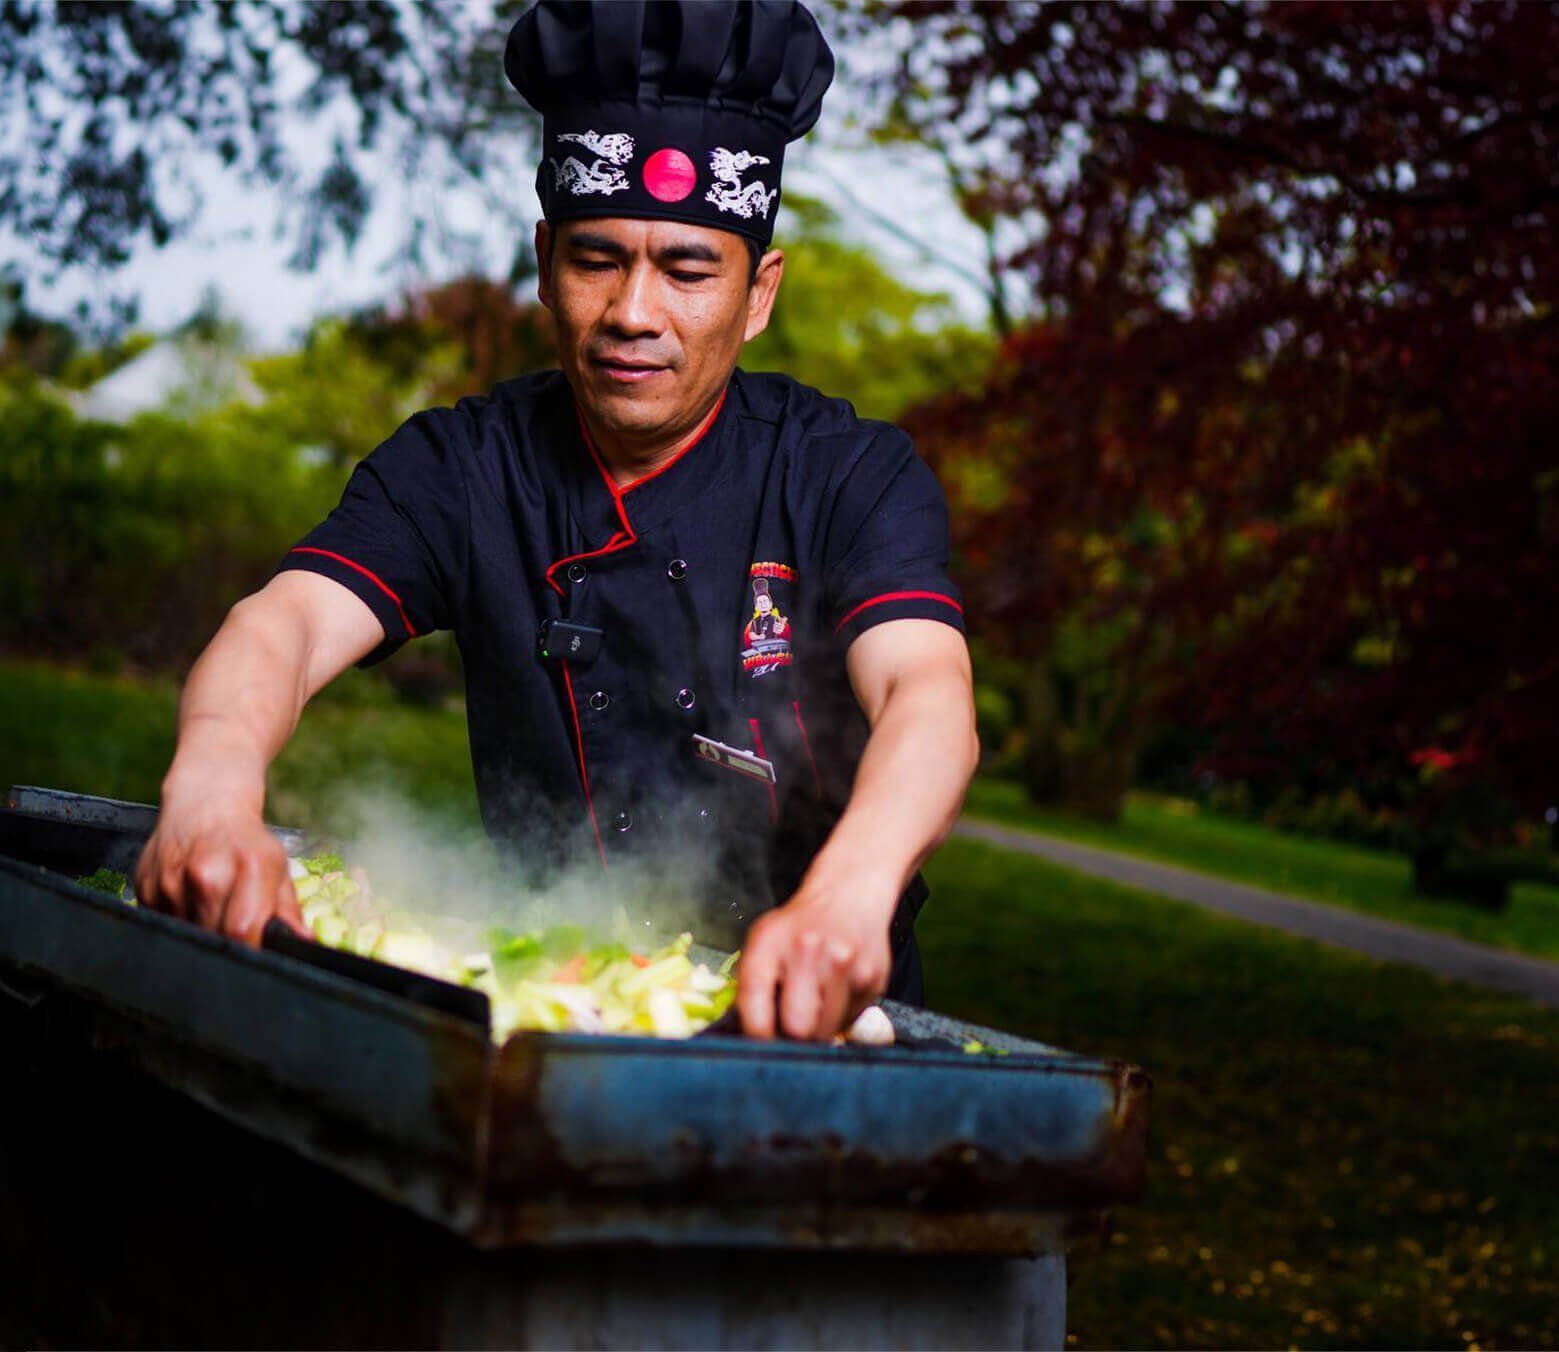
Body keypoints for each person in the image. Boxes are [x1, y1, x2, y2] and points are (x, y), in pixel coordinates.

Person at [133, 0, 978, 1041]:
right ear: (543, 263)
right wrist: (212, 787)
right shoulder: (461, 464)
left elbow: (925, 692)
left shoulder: (844, 472)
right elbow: (285, 622)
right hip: (550, 1010)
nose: (632, 309)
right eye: (594, 258)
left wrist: (851, 890)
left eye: (685, 268)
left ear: (757, 293)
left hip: (828, 1027)